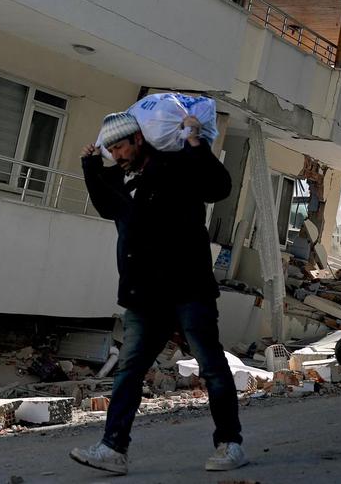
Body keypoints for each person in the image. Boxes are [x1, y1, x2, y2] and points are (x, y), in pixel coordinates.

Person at [69, 111, 245, 475]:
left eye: (120, 146)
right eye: (111, 149)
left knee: (211, 367)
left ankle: (230, 444)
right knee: (130, 370)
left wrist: (195, 142)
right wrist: (90, 163)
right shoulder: (117, 178)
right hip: (143, 294)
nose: (116, 154)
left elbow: (218, 187)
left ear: (138, 140)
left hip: (188, 287)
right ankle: (113, 449)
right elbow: (105, 206)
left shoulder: (177, 165)